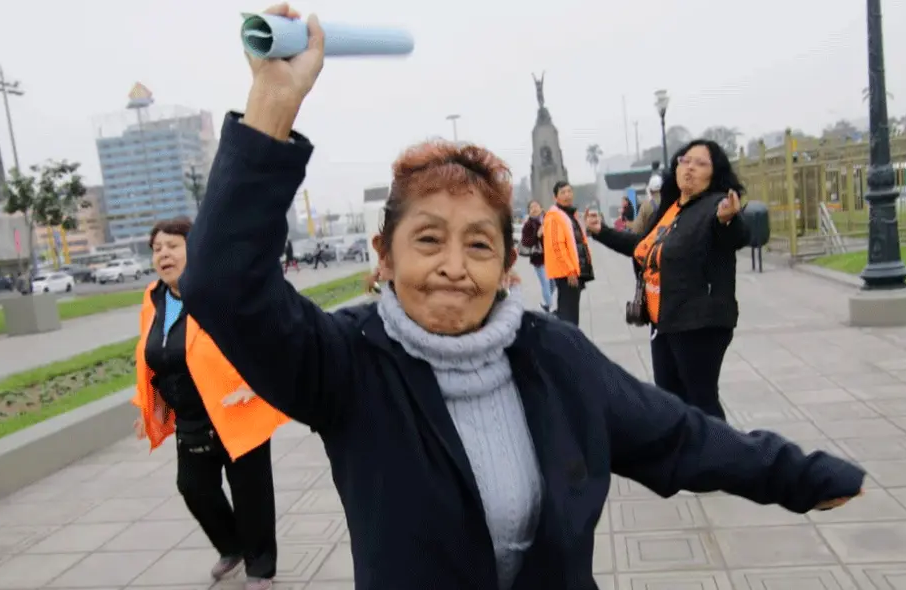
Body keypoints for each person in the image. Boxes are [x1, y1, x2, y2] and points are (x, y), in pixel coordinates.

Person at [179, 8, 865, 588]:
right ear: (384, 257)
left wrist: (797, 475)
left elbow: (676, 434)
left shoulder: (553, 355)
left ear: (509, 266)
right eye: (428, 240)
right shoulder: (348, 363)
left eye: (479, 245)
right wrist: (273, 102)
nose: (454, 267)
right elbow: (223, 284)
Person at [132, 216, 288, 590]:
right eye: (157, 248)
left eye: (173, 246)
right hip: (190, 414)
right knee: (193, 486)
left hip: (237, 409)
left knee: (251, 494)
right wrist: (150, 406)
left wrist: (256, 382)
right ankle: (232, 546)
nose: (163, 254)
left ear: (196, 248)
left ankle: (260, 567)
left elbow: (264, 332)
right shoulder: (154, 298)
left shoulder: (222, 290)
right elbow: (152, 354)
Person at [586, 139, 749, 421]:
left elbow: (736, 235)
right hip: (663, 319)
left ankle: (721, 449)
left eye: (701, 164)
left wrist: (728, 219)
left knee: (701, 401)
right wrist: (602, 231)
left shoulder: (714, 206)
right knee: (671, 401)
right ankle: (686, 450)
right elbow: (642, 247)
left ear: (714, 173)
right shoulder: (670, 209)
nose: (690, 168)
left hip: (699, 322)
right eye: (685, 161)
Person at [542, 180, 594, 326]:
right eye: (563, 192)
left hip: (574, 271)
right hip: (566, 273)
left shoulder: (570, 214)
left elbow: (576, 238)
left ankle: (565, 333)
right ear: (556, 197)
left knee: (570, 311)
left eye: (569, 191)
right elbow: (557, 246)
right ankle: (566, 337)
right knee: (568, 315)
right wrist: (569, 270)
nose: (567, 195)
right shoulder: (554, 217)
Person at [519, 200, 554, 312]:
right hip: (539, 260)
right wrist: (537, 235)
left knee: (553, 284)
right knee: (545, 283)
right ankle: (549, 307)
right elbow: (526, 242)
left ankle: (546, 304)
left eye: (536, 206)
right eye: (531, 207)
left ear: (541, 208)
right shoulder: (528, 225)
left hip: (552, 258)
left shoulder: (549, 220)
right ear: (529, 211)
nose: (534, 209)